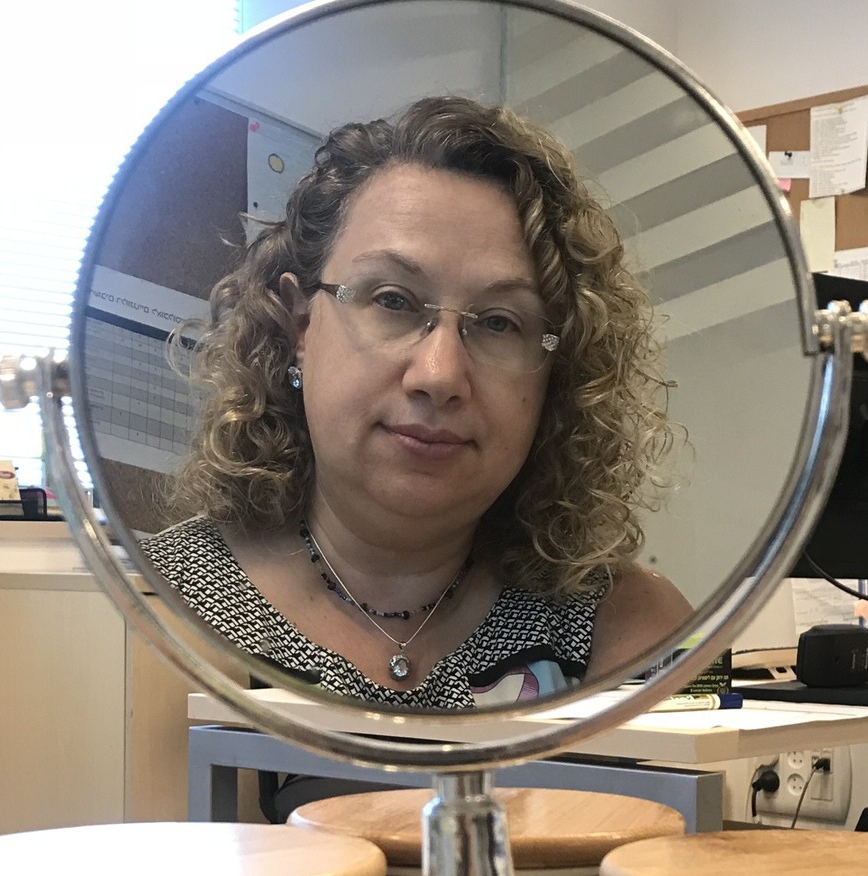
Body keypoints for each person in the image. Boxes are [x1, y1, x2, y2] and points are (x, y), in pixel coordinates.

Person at [143, 95, 691, 710]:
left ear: (556, 376)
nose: (440, 375)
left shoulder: (637, 627)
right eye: (393, 301)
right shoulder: (152, 609)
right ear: (299, 324)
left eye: (499, 322)